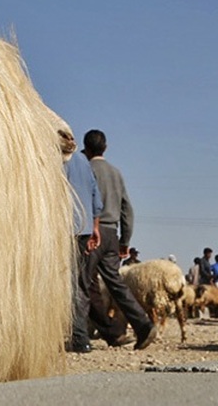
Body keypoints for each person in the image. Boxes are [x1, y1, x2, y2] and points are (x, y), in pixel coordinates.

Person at [83, 129, 158, 350]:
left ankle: (104, 333)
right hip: (112, 234)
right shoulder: (116, 173)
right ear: (105, 148)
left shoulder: (85, 170)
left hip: (91, 233)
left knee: (85, 284)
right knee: (115, 283)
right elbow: (127, 208)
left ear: (85, 149)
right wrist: (125, 240)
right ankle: (143, 324)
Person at [64, 146, 103, 353]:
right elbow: (97, 199)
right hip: (85, 228)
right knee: (79, 282)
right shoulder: (83, 161)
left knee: (68, 283)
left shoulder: (58, 158)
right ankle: (80, 337)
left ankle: (78, 338)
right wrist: (95, 228)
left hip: (65, 228)